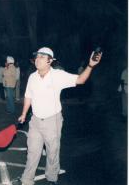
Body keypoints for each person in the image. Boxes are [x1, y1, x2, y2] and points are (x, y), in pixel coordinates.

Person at [18, 47, 102, 185]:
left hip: (52, 121)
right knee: (32, 152)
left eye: (41, 57)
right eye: (37, 57)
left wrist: (90, 66)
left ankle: (52, 178)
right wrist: (23, 114)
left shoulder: (58, 75)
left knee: (52, 152)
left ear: (49, 61)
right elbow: (28, 96)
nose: (37, 59)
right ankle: (27, 180)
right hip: (35, 121)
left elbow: (80, 80)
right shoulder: (33, 77)